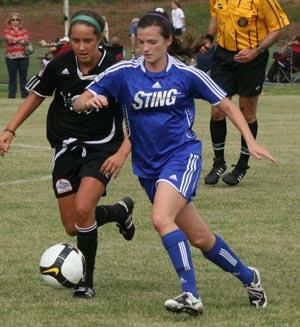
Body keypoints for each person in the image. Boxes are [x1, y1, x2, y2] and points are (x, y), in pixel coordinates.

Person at [74, 11, 275, 314]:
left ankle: (190, 295)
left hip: (182, 155)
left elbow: (226, 105)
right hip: (147, 166)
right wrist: (88, 101)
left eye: (153, 41)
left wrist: (251, 140)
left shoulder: (185, 74)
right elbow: (79, 99)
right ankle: (249, 277)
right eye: (141, 42)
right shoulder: (124, 72)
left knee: (160, 219)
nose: (146, 48)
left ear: (168, 41)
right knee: (200, 237)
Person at [0, 9, 135, 300]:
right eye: (76, 40)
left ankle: (87, 281)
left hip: (103, 147)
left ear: (100, 39)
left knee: (84, 209)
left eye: (88, 40)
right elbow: (36, 96)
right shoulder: (60, 64)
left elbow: (135, 118)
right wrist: (10, 129)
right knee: (73, 226)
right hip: (65, 148)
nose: (82, 46)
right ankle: (118, 212)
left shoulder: (116, 70)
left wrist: (123, 153)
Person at [202, 0, 289, 186]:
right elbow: (215, 15)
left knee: (247, 111)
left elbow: (278, 27)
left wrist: (257, 51)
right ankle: (218, 163)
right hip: (223, 57)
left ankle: (242, 165)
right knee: (217, 108)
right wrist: (209, 38)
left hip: (252, 58)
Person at [4, 12, 31, 98]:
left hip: (24, 57)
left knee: (23, 77)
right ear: (10, 21)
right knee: (12, 78)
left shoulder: (24, 30)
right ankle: (11, 96)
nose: (15, 21)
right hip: (11, 57)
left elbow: (26, 41)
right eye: (13, 19)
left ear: (19, 21)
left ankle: (25, 95)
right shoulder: (7, 30)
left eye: (17, 19)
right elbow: (9, 40)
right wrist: (20, 39)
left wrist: (16, 39)